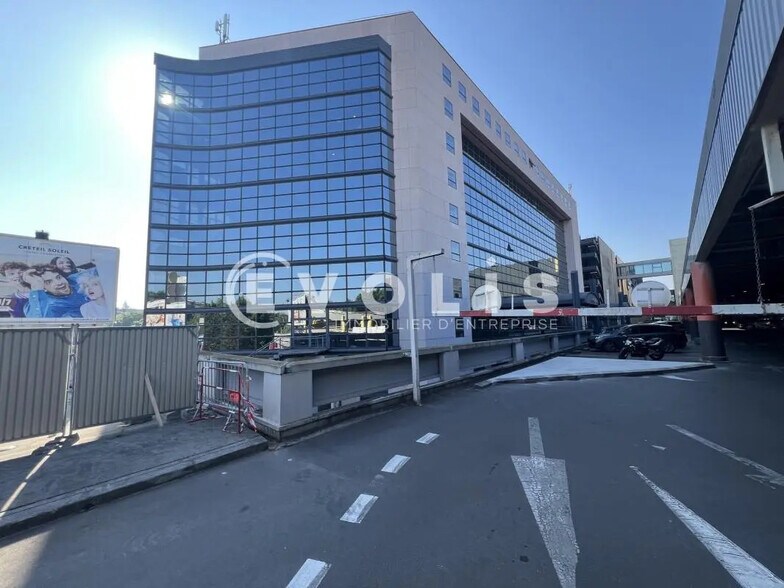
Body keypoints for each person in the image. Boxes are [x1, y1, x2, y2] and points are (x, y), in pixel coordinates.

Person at [21, 264, 89, 319]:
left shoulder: (75, 281)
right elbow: (37, 324)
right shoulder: (45, 304)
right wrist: (37, 288)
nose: (59, 283)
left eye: (58, 277)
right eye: (49, 282)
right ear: (43, 289)